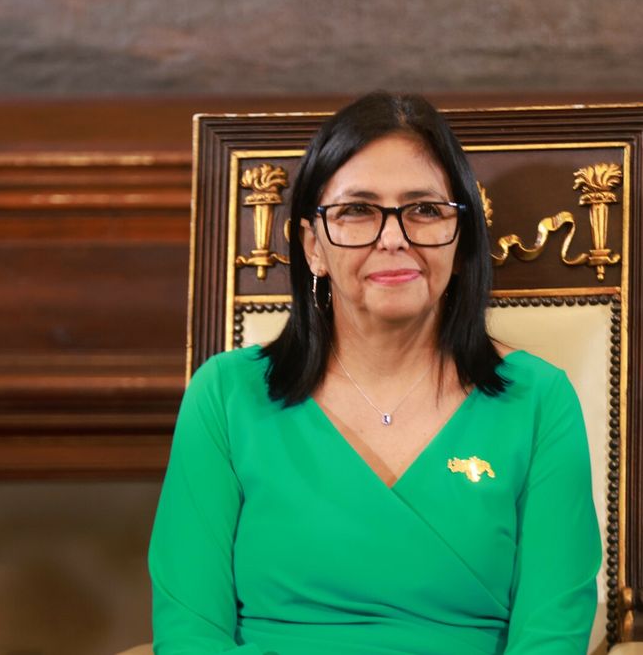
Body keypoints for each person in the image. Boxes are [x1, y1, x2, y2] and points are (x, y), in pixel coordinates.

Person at [149, 92, 600, 655]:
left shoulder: (540, 401)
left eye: (425, 210)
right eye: (357, 211)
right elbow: (190, 632)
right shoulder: (223, 396)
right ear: (313, 245)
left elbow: (550, 637)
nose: (394, 238)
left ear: (460, 243)